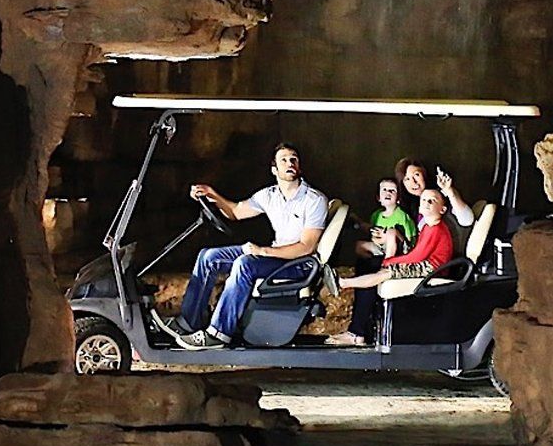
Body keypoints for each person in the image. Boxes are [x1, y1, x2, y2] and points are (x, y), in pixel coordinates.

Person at [163, 142, 329, 350]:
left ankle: (219, 333)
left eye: (294, 159)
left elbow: (306, 247)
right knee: (209, 257)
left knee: (245, 263)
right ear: (274, 170)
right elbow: (236, 211)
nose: (290, 163)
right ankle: (188, 323)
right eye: (284, 160)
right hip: (275, 256)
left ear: (300, 167)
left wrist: (263, 251)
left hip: (299, 263)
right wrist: (212, 194)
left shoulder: (314, 200)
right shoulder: (269, 195)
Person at [327, 188, 456, 347]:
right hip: (426, 264)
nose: (427, 203)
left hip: (431, 268)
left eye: (432, 200)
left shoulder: (436, 229)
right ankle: (357, 327)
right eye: (424, 200)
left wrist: (391, 261)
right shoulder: (429, 226)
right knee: (372, 265)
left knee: (383, 273)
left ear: (442, 209)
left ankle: (344, 285)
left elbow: (418, 256)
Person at [353, 176, 417, 268]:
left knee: (391, 232)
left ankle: (388, 264)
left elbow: (410, 239)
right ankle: (374, 264)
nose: (388, 193)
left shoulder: (402, 216)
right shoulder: (376, 215)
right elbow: (372, 231)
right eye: (384, 190)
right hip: (381, 246)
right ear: (379, 198)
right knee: (359, 246)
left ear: (398, 199)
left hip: (400, 248)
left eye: (392, 190)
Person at [398, 156, 476, 228]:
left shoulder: (442, 195)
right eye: (407, 179)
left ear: (424, 174)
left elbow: (467, 221)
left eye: (416, 175)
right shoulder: (409, 206)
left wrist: (450, 191)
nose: (413, 182)